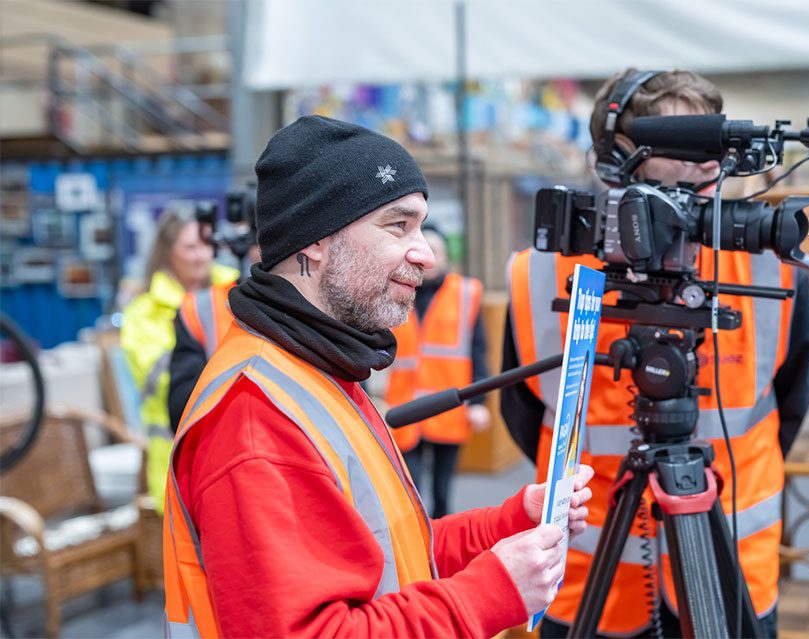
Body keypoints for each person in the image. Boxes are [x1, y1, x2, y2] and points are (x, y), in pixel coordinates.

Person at [162, 115, 595, 638]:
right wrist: (492, 592)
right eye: (398, 225)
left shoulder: (314, 369)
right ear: (316, 240)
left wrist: (510, 521)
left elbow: (389, 548)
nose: (427, 254)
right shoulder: (258, 419)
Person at [501, 69, 809, 638]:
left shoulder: (770, 264)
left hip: (730, 572)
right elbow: (523, 414)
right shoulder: (541, 272)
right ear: (616, 154)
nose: (705, 160)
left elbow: (790, 401)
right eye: (682, 140)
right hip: (589, 578)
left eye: (711, 139)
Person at [120, 210, 238, 511]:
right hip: (181, 454)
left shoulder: (237, 289)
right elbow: (164, 384)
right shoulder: (144, 312)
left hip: (238, 447)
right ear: (167, 251)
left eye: (206, 243)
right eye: (190, 247)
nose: (201, 256)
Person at [385, 225, 491, 518]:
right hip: (404, 408)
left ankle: (442, 550)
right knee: (410, 490)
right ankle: (417, 551)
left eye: (435, 250)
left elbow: (478, 350)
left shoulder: (466, 293)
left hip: (448, 406)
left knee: (442, 493)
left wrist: (479, 403)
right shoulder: (391, 291)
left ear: (443, 257)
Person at [167, 231, 261, 431]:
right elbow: (180, 410)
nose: (199, 256)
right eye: (190, 247)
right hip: (217, 442)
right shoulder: (198, 308)